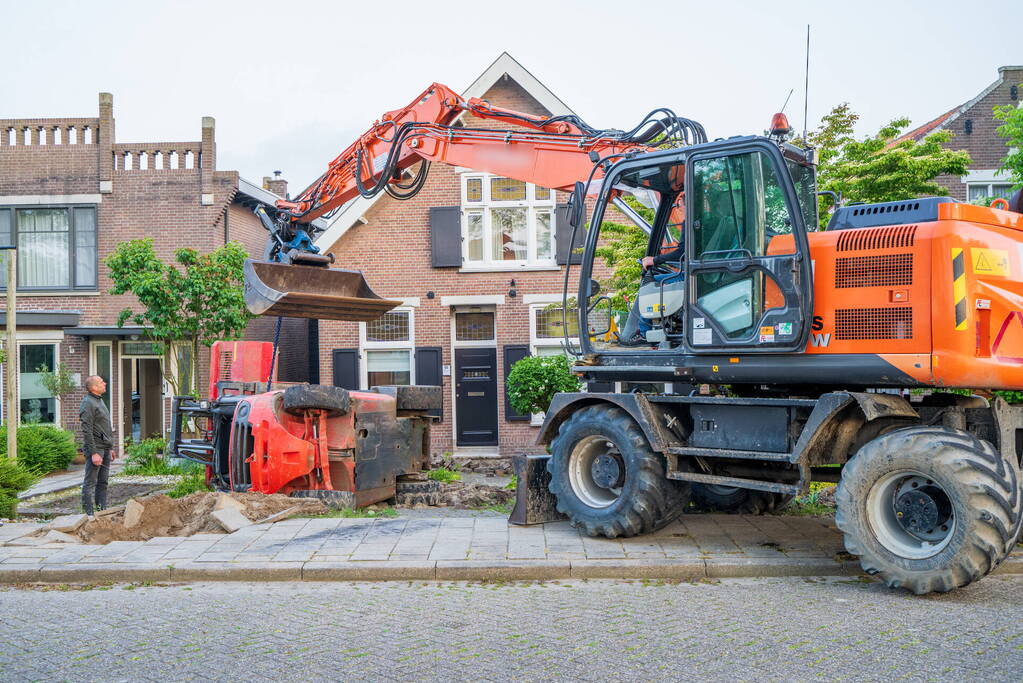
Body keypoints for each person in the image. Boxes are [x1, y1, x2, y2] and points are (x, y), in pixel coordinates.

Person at [80, 375, 115, 517]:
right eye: (101, 382)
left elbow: (104, 426)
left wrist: (110, 447)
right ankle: (88, 514)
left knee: (103, 482)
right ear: (94, 387)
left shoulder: (99, 401)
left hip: (105, 448)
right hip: (96, 449)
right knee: (90, 483)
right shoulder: (88, 403)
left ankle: (102, 512)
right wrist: (94, 452)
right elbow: (87, 429)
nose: (105, 383)